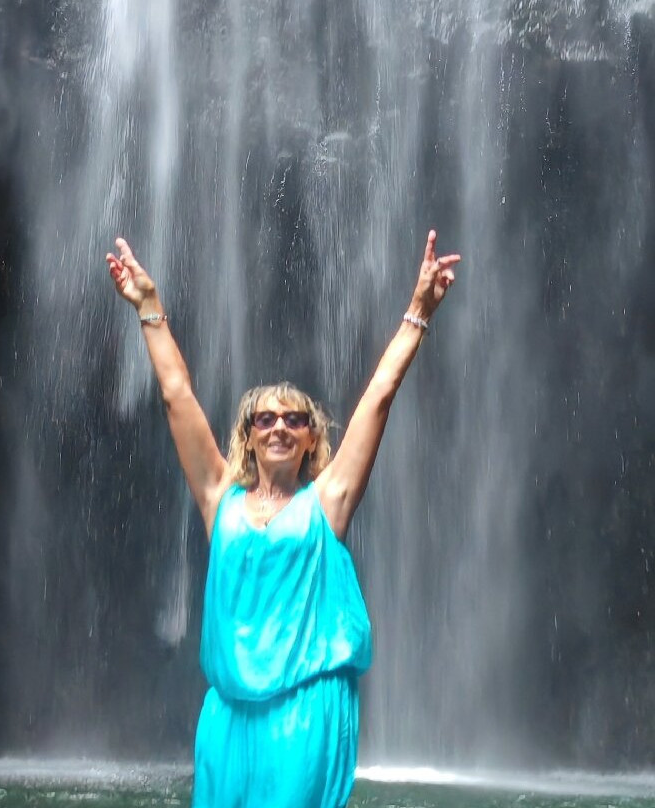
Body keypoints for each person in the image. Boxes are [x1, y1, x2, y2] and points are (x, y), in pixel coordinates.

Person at [105, 231, 461, 808]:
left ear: (311, 438)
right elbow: (176, 396)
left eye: (294, 420)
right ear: (248, 435)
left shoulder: (327, 502)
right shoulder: (219, 497)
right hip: (228, 715)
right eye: (265, 418)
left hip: (304, 711)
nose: (278, 427)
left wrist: (418, 312)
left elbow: (379, 396)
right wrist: (149, 307)